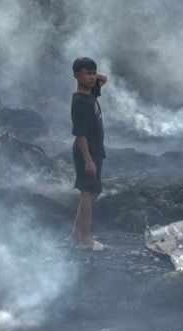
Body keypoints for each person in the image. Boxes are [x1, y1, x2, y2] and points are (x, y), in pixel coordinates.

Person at [67, 57, 107, 251]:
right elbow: (80, 134)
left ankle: (76, 233)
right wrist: (88, 160)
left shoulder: (91, 94)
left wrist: (92, 77)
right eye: (87, 73)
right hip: (86, 153)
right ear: (75, 75)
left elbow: (104, 78)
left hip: (96, 151)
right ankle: (85, 240)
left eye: (93, 73)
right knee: (87, 193)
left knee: (93, 192)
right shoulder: (80, 103)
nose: (92, 77)